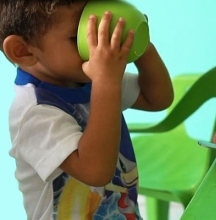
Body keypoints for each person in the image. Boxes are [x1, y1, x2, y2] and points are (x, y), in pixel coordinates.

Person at [0, 0, 173, 219]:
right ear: (23, 50)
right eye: (79, 37)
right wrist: (106, 82)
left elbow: (157, 99)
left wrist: (143, 46)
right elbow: (95, 172)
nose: (99, 46)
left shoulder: (89, 79)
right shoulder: (35, 111)